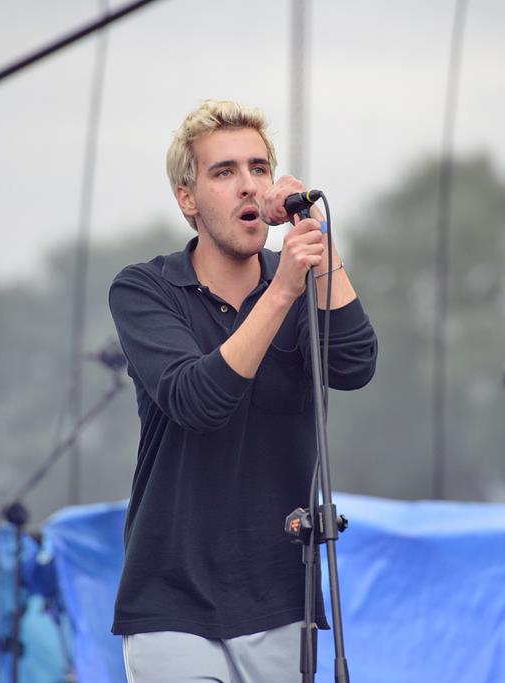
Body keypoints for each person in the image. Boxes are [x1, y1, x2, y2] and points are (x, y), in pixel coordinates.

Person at [108, 99, 377, 682]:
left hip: (281, 599)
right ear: (187, 199)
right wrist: (282, 291)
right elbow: (198, 400)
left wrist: (317, 238)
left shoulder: (299, 280)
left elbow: (355, 363)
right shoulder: (145, 290)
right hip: (171, 601)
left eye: (259, 168)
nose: (248, 185)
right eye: (224, 172)